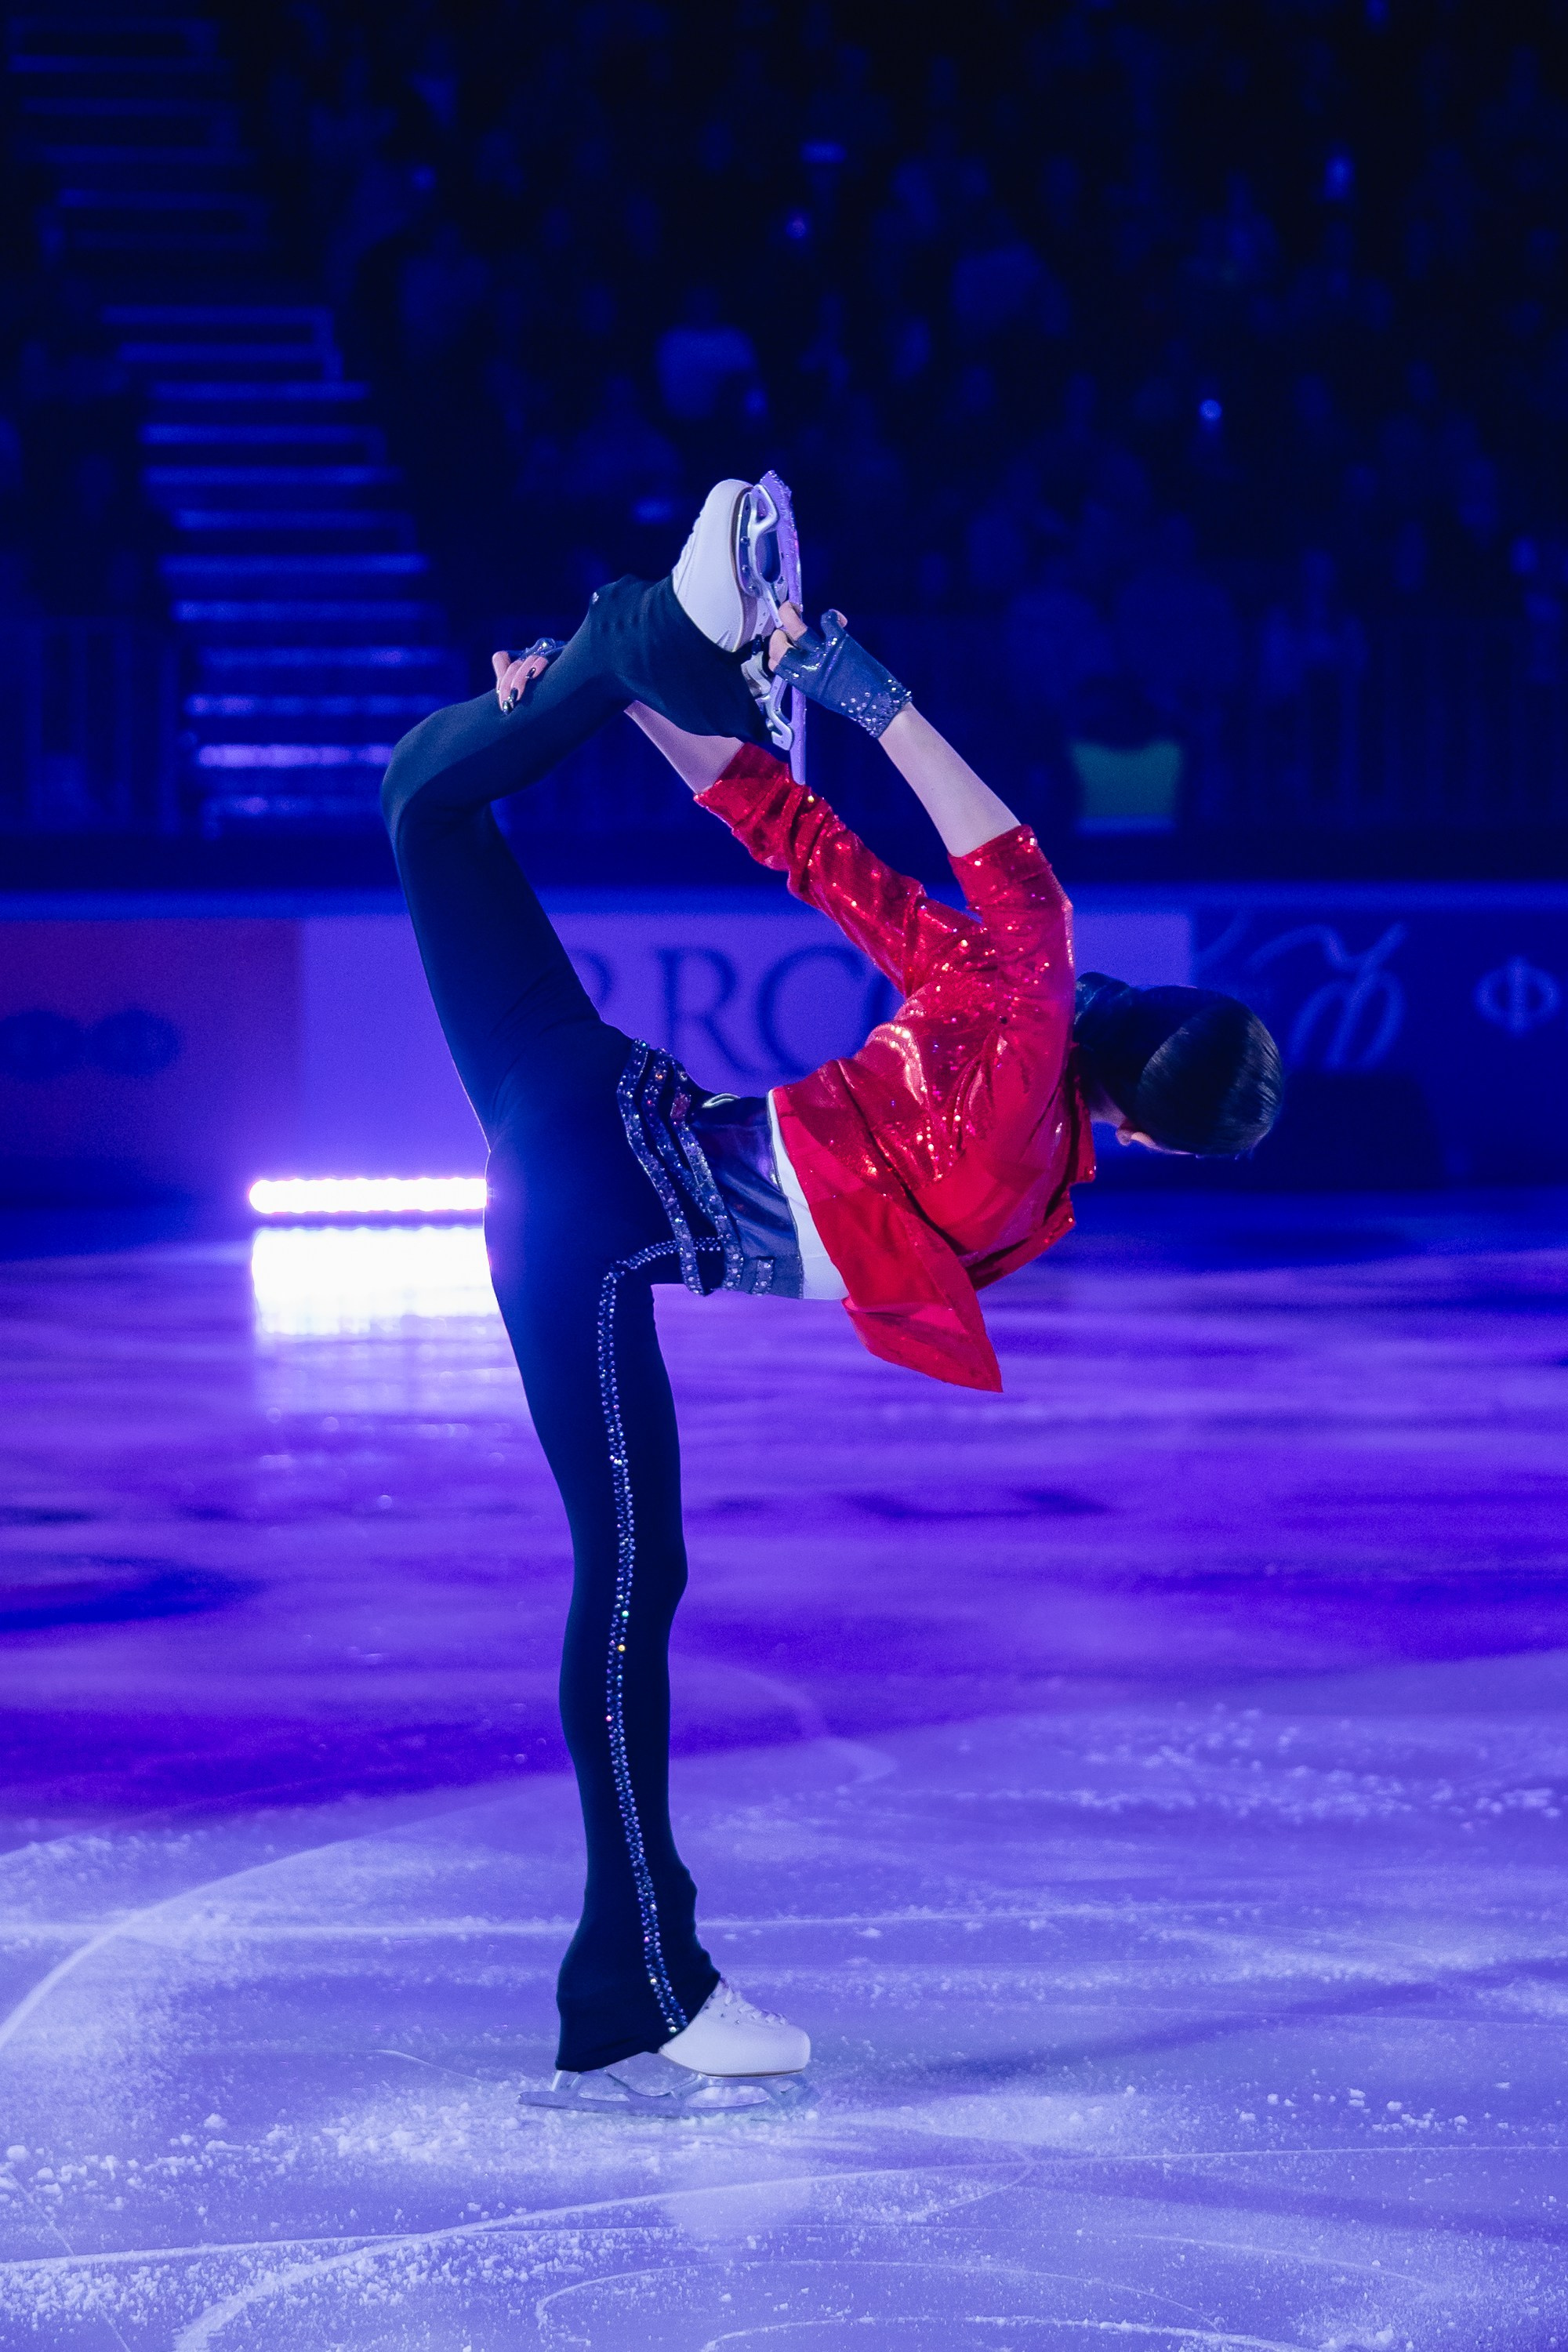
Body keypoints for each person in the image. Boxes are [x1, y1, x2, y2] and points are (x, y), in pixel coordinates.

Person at [379, 476, 1283, 2116]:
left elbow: (804, 840)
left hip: (595, 1121)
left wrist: (646, 686)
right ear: (1156, 1124)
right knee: (629, 1586)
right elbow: (1001, 855)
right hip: (594, 1205)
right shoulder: (1025, 1026)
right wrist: (858, 687)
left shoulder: (996, 1009)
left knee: (427, 806)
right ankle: (643, 1989)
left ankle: (611, 641)